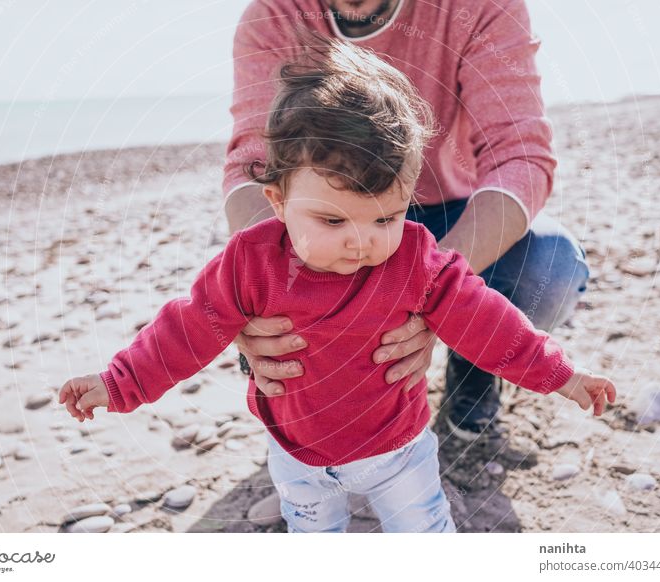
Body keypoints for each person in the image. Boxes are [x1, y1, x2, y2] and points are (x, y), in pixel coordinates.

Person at [57, 36, 616, 533]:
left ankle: (469, 413)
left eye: (385, 218)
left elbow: (489, 321)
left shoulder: (418, 260)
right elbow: (187, 326)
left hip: (399, 453)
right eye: (332, 221)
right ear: (278, 201)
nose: (362, 242)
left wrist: (561, 375)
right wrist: (119, 383)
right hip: (297, 456)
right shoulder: (251, 263)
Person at [224, 0, 590, 442]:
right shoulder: (274, 15)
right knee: (284, 286)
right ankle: (314, 416)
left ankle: (470, 384)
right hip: (325, 212)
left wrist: (433, 291)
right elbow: (252, 164)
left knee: (550, 266)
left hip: (451, 208)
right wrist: (260, 285)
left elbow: (519, 154)